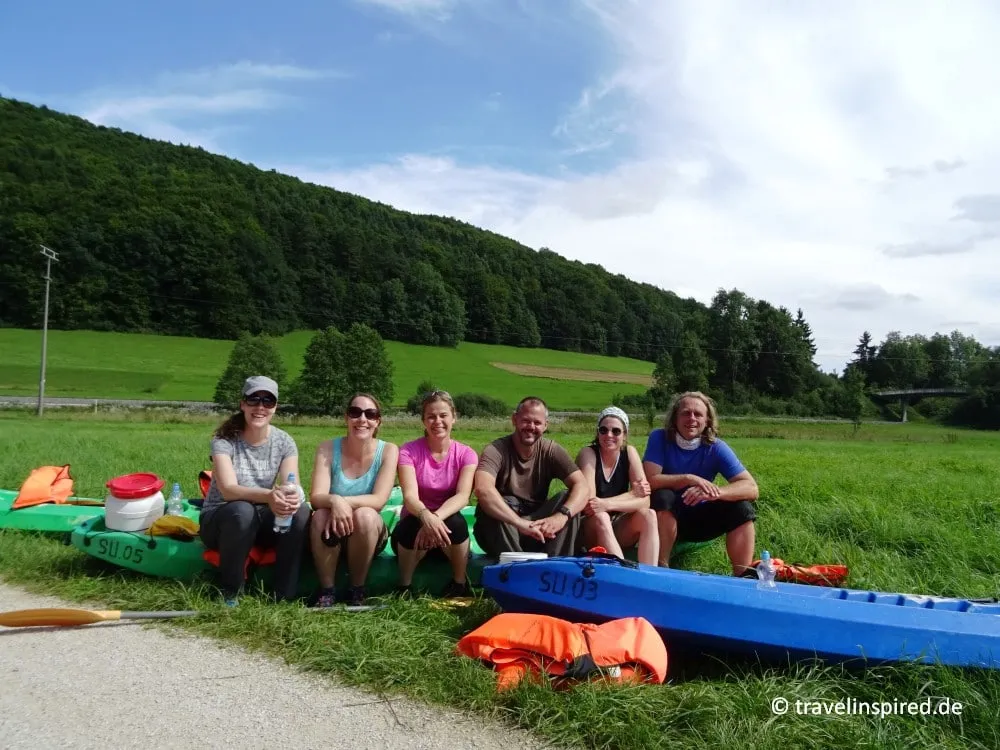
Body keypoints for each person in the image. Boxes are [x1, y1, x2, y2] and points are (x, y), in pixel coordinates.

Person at [200, 375, 309, 605]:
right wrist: (269, 495)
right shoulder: (224, 439)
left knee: (300, 513)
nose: (260, 407)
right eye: (254, 400)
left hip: (259, 516)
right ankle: (231, 590)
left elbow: (293, 483)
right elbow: (228, 490)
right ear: (243, 404)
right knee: (242, 510)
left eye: (268, 402)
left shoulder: (285, 441)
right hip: (222, 519)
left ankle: (283, 594)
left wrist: (291, 497)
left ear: (275, 408)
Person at [642, 391, 759, 575]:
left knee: (742, 508)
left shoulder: (716, 447)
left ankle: (742, 576)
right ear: (674, 418)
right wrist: (688, 478)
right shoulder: (659, 438)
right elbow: (649, 480)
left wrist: (715, 492)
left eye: (698, 414)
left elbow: (751, 488)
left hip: (701, 520)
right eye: (685, 413)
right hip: (666, 518)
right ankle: (661, 567)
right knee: (663, 496)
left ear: (707, 421)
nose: (692, 418)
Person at [309, 393, 399, 606]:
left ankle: (357, 589)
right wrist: (334, 502)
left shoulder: (388, 450)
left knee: (365, 515)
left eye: (370, 414)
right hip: (333, 526)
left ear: (378, 421)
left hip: (367, 531)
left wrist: (342, 502)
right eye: (355, 412)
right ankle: (327, 590)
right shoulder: (327, 448)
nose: (362, 419)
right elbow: (316, 497)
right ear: (346, 418)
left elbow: (378, 500)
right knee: (320, 515)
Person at [473, 396, 589, 558]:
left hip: (537, 527)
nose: (531, 427)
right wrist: (520, 523)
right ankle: (518, 567)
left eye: (537, 423)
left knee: (568, 499)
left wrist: (560, 517)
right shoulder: (495, 450)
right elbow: (482, 489)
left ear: (545, 425)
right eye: (526, 421)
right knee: (494, 506)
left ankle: (554, 567)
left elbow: (583, 487)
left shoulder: (551, 450)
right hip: (504, 529)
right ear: (515, 419)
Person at [391, 390, 478, 597]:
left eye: (443, 415)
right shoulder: (408, 452)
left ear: (454, 418)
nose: (437, 421)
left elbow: (463, 496)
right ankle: (404, 587)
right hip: (415, 527)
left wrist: (435, 519)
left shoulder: (466, 454)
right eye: (431, 416)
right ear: (423, 421)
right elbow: (410, 496)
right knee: (410, 525)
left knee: (456, 523)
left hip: (446, 532)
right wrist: (425, 517)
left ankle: (459, 584)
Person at [575, 406, 659, 565]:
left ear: (625, 435)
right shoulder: (588, 454)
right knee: (601, 516)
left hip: (618, 523)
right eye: (603, 430)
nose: (609, 435)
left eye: (616, 431)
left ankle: (650, 574)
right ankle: (623, 574)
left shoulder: (629, 452)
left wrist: (606, 503)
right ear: (597, 432)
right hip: (591, 528)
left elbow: (644, 501)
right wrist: (632, 494)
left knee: (649, 515)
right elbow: (590, 505)